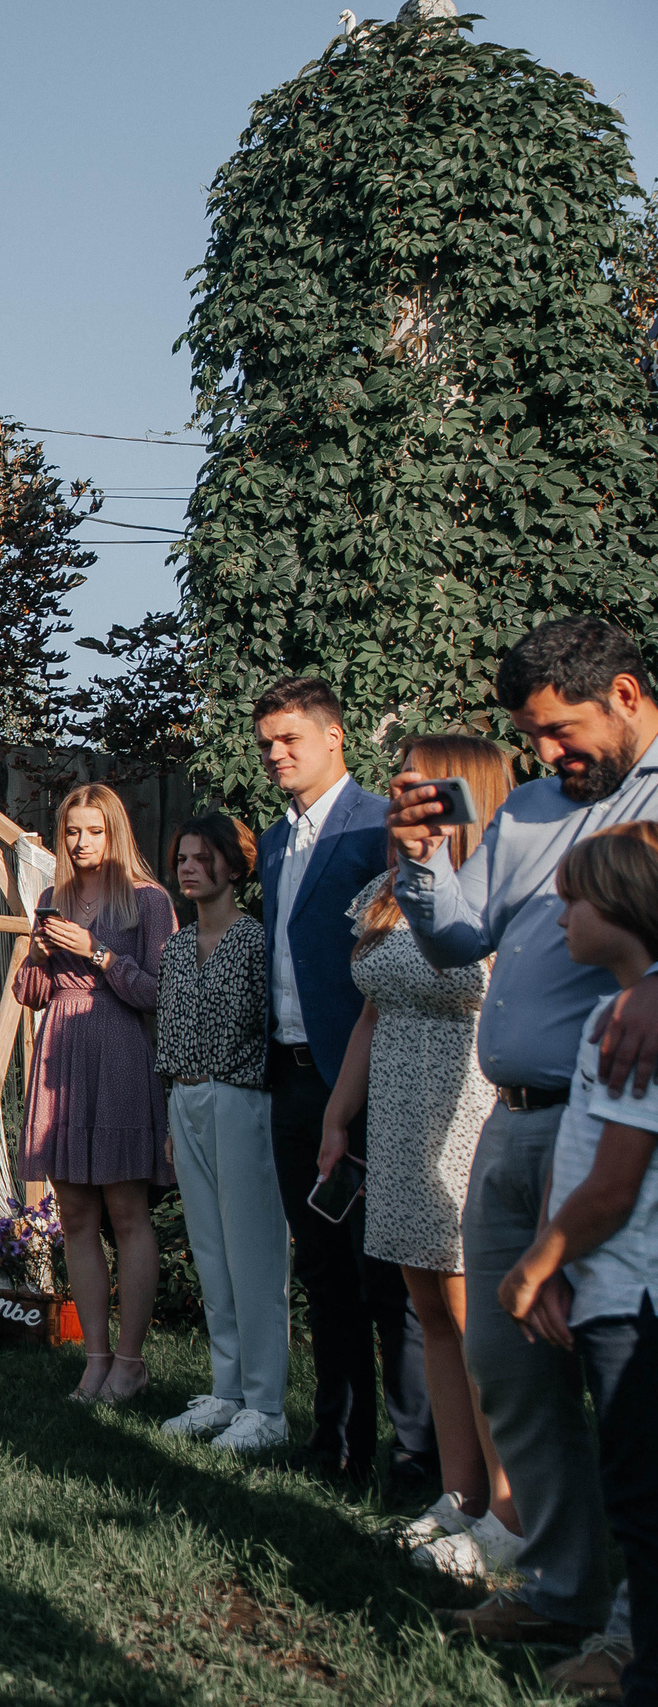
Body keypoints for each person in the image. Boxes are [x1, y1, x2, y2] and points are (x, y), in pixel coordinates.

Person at [388, 616, 658, 1649]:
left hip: (618, 1134)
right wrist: (421, 863)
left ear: (626, 693)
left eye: (559, 730)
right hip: (508, 1125)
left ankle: (635, 1634)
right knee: (507, 1364)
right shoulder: (540, 806)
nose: (544, 756)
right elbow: (463, 934)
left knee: (630, 1384)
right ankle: (558, 1593)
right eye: (532, 737)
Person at [320, 734, 517, 1581]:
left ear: (461, 791)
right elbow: (370, 1011)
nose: (398, 795)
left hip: (468, 1099)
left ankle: (511, 1511)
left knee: (478, 1318)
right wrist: (338, 1115)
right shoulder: (390, 888)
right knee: (427, 1306)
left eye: (414, 783)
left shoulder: (501, 892)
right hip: (395, 1100)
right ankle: (459, 1492)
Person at [254, 675, 430, 1483]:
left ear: (335, 738)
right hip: (288, 1074)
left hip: (359, 1075)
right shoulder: (272, 838)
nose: (275, 754)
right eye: (266, 744)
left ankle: (413, 1448)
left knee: (383, 1271)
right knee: (321, 1267)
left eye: (289, 739)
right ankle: (335, 1439)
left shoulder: (372, 827)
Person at [497, 823, 658, 1707]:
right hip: (599, 1281)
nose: (559, 916)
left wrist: (535, 1263)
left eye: (575, 899)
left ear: (626, 906)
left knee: (640, 1491)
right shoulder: (613, 1010)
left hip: (637, 1289)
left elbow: (614, 1179)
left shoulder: (638, 1025)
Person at [16, 783, 175, 1404]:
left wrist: (99, 953)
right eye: (72, 832)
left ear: (115, 833)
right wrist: (33, 972)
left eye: (94, 832)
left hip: (119, 1049)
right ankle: (96, 1358)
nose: (81, 844)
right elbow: (37, 984)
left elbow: (160, 992)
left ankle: (131, 1362)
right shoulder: (51, 897)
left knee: (127, 1212)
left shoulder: (148, 900)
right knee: (76, 1214)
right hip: (63, 1046)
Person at [153, 812, 288, 1451]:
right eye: (181, 857)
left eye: (202, 857)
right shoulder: (176, 947)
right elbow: (170, 1034)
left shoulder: (257, 941)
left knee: (254, 1253)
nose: (188, 867)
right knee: (210, 1251)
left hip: (243, 1101)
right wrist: (173, 1113)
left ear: (234, 866)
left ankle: (267, 1407)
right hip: (187, 1101)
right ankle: (226, 1392)